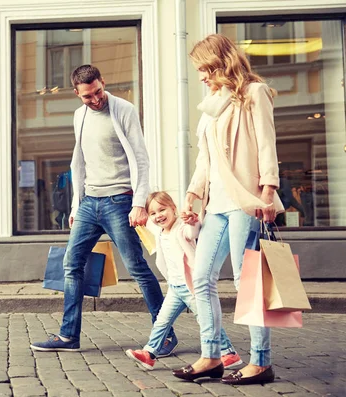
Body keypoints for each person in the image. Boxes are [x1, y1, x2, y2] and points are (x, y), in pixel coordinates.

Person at [31, 65, 176, 355]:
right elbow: (79, 160)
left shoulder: (124, 109)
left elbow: (141, 159)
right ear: (76, 93)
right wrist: (76, 204)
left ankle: (165, 336)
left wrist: (139, 204)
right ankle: (68, 336)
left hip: (119, 202)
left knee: (136, 268)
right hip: (89, 203)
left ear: (103, 83)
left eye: (97, 92)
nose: (95, 99)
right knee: (71, 264)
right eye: (87, 96)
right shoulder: (79, 115)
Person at [171, 34, 284, 384]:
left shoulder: (254, 92)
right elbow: (205, 157)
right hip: (215, 205)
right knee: (200, 279)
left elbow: (267, 145)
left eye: (203, 68)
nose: (201, 76)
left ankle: (261, 362)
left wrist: (268, 192)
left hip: (244, 202)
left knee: (245, 280)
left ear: (221, 62)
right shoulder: (212, 103)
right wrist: (192, 193)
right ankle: (211, 356)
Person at [125, 192, 242, 371]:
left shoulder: (181, 227)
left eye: (162, 210)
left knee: (205, 319)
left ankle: (228, 353)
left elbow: (192, 232)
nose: (159, 216)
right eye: (153, 213)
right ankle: (149, 354)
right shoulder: (161, 232)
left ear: (173, 208)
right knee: (162, 321)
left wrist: (192, 220)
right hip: (174, 288)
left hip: (191, 286)